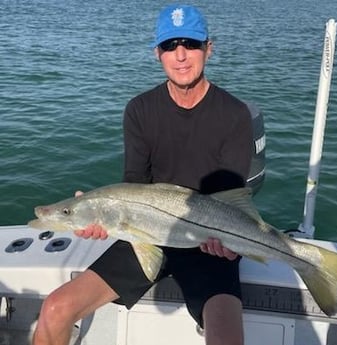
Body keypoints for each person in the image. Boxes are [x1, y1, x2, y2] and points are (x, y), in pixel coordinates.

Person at [32, 4, 253, 345]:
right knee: (54, 309)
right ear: (157, 53)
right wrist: (96, 214)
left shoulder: (236, 115)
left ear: (209, 48)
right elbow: (133, 184)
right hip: (143, 234)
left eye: (190, 44)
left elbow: (232, 200)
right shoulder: (139, 110)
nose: (180, 56)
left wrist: (231, 245)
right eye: (169, 46)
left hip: (208, 245)